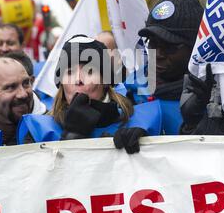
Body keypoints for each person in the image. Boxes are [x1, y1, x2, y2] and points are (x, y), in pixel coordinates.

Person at [19, 35, 163, 154]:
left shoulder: (142, 121)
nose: (78, 80)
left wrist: (147, 145)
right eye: (69, 72)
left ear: (106, 81)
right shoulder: (39, 131)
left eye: (89, 71)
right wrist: (71, 137)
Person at [132, 0, 204, 134]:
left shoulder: (216, 101)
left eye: (169, 46)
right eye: (152, 43)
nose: (158, 54)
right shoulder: (125, 92)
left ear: (195, 47)